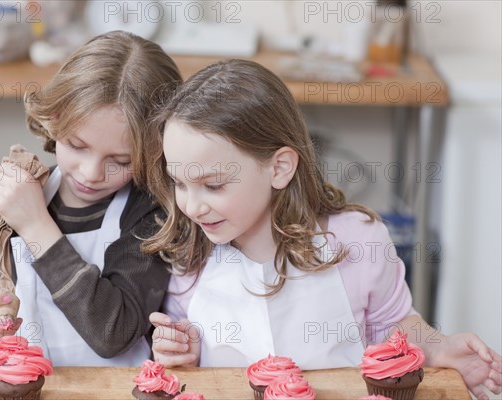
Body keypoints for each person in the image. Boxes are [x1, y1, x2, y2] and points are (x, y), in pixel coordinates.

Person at [143, 59, 502, 400]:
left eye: (214, 185)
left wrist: (440, 346)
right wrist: (181, 352)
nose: (192, 206)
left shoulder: (358, 240)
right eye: (179, 183)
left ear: (279, 167)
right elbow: (186, 359)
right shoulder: (189, 250)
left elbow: (395, 326)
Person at [0, 31, 183, 366]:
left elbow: (113, 333)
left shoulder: (149, 210)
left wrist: (37, 227)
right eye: (77, 145)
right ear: (54, 120)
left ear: (156, 150)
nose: (91, 172)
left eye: (120, 161)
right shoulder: (12, 191)